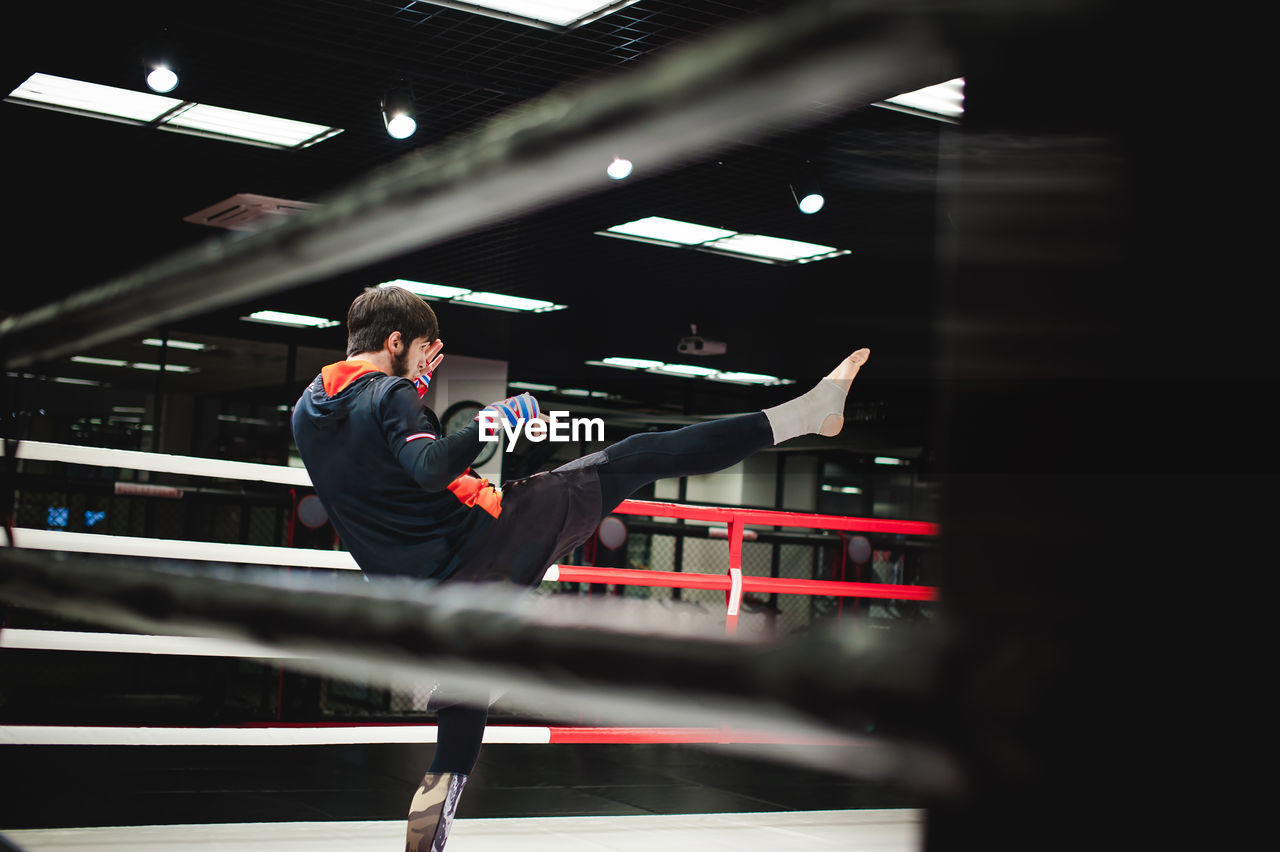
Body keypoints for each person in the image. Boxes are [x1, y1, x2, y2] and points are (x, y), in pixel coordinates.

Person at [291, 284, 870, 851]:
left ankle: (438, 806)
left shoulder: (308, 411)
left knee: (470, 678)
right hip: (482, 541)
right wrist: (489, 422)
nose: (427, 368)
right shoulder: (390, 396)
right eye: (423, 353)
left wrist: (410, 392)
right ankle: (802, 414)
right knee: (635, 456)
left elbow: (378, 472)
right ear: (395, 341)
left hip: (417, 590)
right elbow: (425, 468)